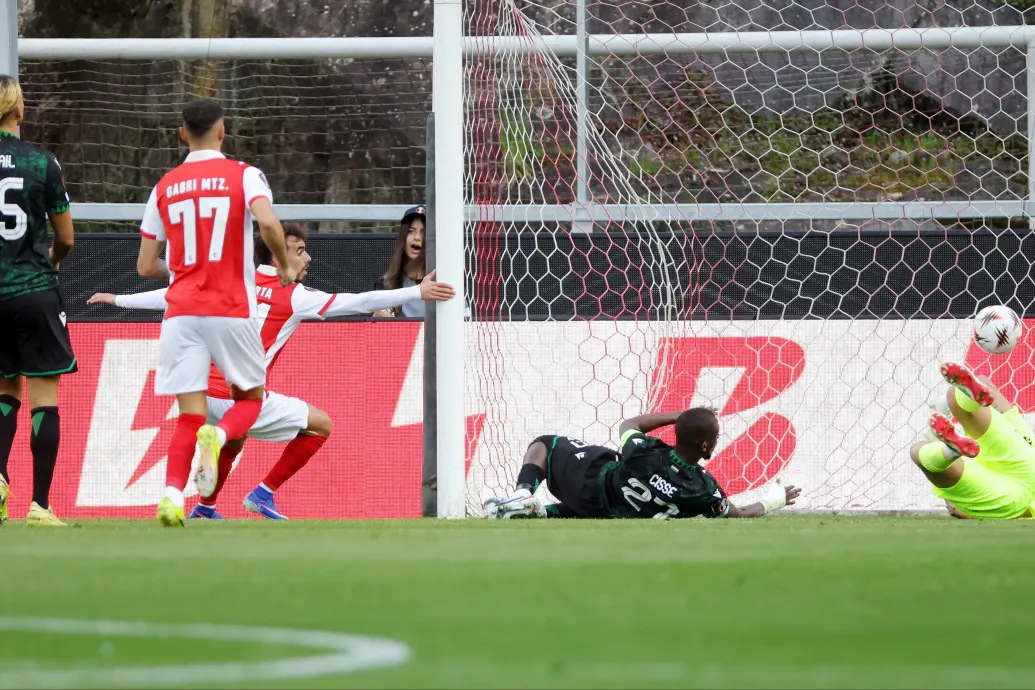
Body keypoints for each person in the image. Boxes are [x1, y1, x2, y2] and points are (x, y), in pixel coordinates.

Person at [91, 223, 455, 519]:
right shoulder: (295, 295)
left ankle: (205, 507)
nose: (308, 258)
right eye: (300, 251)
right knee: (321, 425)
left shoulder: (232, 279)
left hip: (201, 392)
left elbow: (173, 295)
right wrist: (415, 293)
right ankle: (262, 494)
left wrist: (119, 299)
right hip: (240, 396)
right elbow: (359, 301)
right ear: (278, 255)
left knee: (236, 439)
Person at [137, 98, 296, 526]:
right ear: (223, 131)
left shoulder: (164, 186)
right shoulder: (245, 175)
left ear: (182, 133)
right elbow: (268, 223)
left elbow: (146, 265)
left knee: (189, 414)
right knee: (250, 399)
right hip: (229, 307)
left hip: (181, 312)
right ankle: (220, 435)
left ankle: (172, 497)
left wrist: (184, 268)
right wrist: (283, 266)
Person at [484, 407, 800, 520]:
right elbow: (740, 514)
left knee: (546, 443)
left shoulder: (644, 452)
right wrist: (776, 499)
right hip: (604, 513)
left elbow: (630, 424)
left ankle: (524, 495)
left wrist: (678, 416)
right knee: (615, 508)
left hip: (588, 482)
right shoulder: (702, 488)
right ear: (705, 445)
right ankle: (539, 511)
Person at [0, 75, 76, 526]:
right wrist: (52, 261)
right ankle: (40, 505)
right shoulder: (41, 161)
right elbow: (65, 237)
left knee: (4, 391)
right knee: (44, 397)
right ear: (20, 110)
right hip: (33, 289)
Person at [910, 362, 1035, 520]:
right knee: (919, 453)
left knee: (956, 397)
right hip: (1014, 504)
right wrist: (955, 501)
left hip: (1026, 464)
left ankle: (960, 402)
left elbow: (983, 381)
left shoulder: (1025, 436)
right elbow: (956, 510)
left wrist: (944, 406)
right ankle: (948, 451)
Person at [373, 205, 427, 318]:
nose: (417, 237)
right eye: (411, 231)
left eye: (423, 232)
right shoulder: (386, 284)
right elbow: (381, 320)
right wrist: (381, 318)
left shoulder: (444, 284)